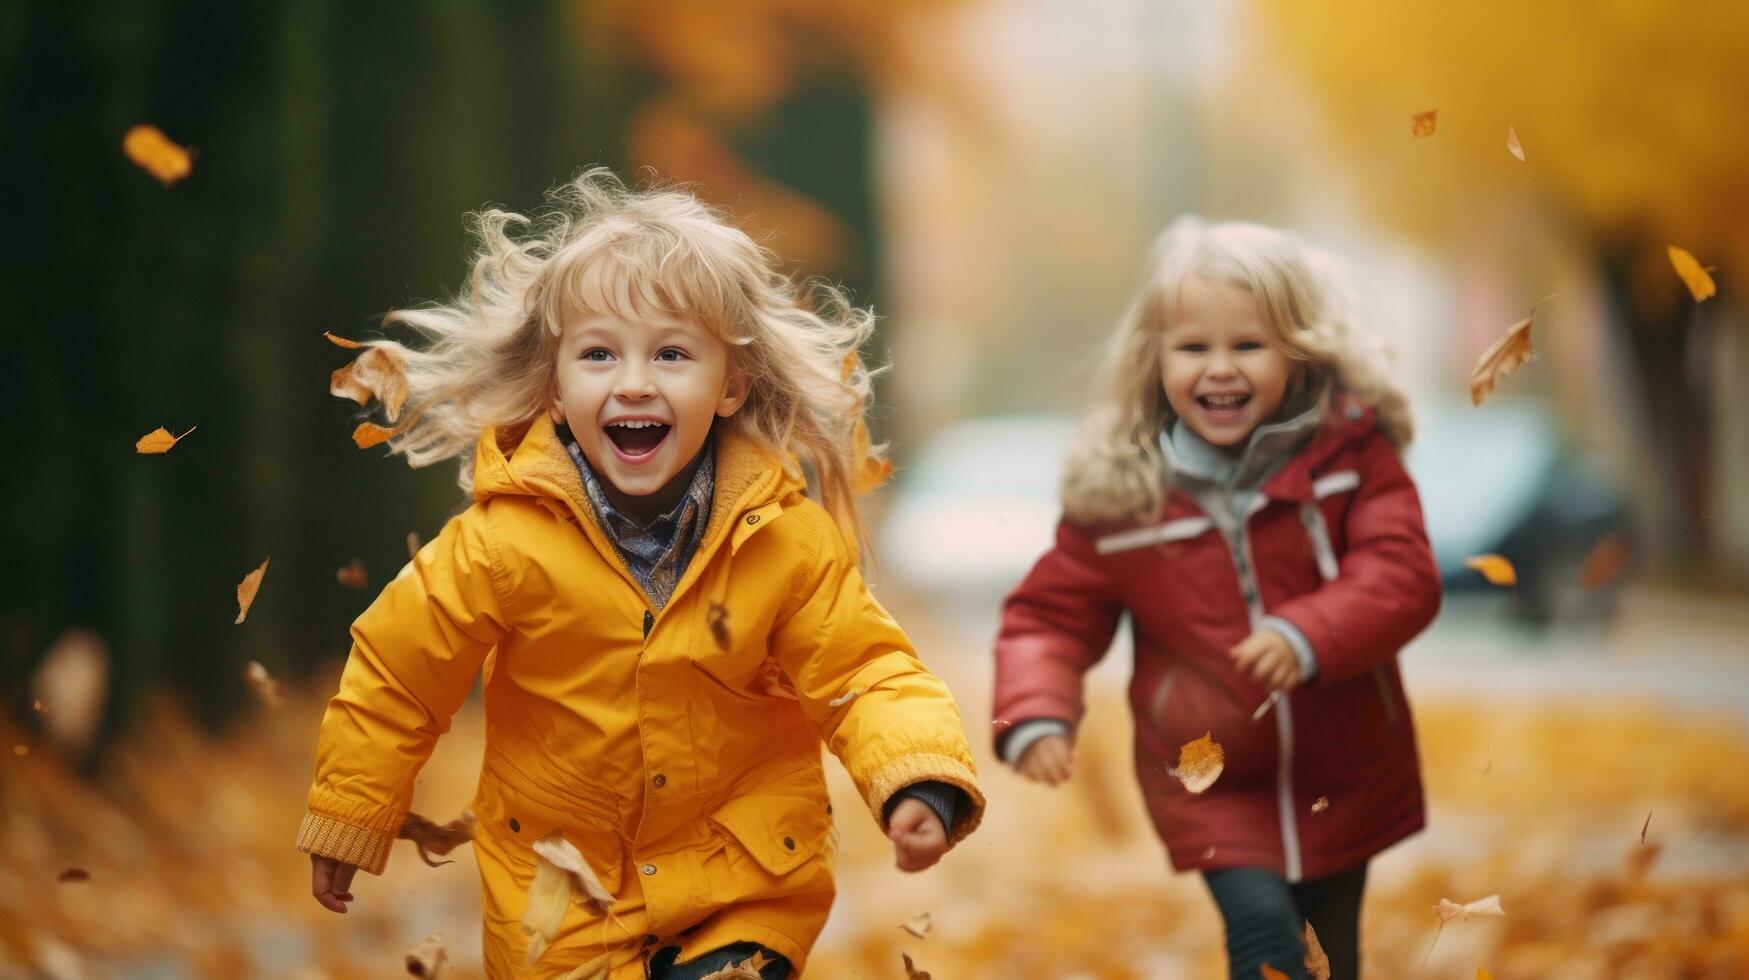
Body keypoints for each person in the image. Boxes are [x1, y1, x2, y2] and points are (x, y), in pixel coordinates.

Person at [298, 168, 984, 978]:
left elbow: (864, 670)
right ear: (553, 389)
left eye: (670, 353)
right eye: (597, 354)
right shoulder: (497, 545)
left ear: (729, 385)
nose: (633, 382)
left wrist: (915, 780)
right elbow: (398, 673)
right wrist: (352, 810)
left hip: (743, 884)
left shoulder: (784, 543)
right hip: (562, 906)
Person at [993, 217, 1441, 979]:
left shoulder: (1349, 458)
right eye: (1193, 348)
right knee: (1264, 937)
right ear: (1154, 357)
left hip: (1346, 768)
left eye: (1247, 346)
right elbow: (1049, 617)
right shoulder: (1125, 493)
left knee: (1331, 960)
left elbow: (1401, 574)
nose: (1219, 370)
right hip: (1207, 775)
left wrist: (1307, 634)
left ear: (1297, 352)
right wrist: (1035, 709)